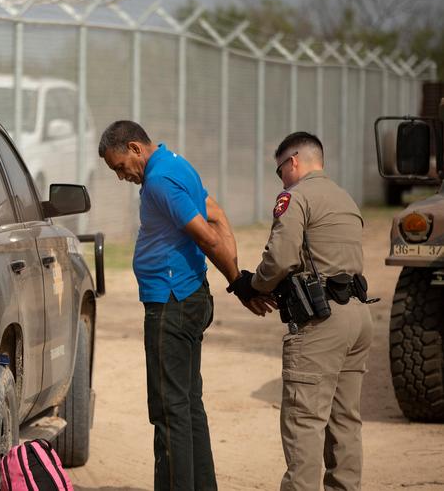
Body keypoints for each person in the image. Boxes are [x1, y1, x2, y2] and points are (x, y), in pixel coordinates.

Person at [98, 120, 254, 491]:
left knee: (169, 411)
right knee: (187, 405)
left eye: (120, 166)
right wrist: (238, 275)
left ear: (135, 148)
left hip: (171, 303)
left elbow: (207, 237)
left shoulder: (159, 181)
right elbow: (217, 214)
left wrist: (238, 282)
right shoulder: (177, 164)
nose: (121, 177)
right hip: (187, 296)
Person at [227, 131, 373, 491]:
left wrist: (252, 285)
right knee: (345, 421)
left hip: (322, 323)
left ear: (292, 162)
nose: (281, 180)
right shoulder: (345, 198)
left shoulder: (295, 197)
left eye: (280, 171)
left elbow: (280, 258)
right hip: (357, 317)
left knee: (304, 422)